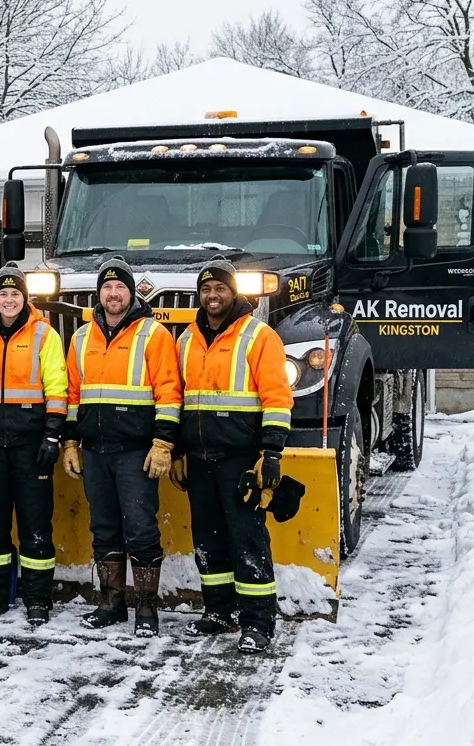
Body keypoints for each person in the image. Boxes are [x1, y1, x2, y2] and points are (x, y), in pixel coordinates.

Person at [176, 259, 293, 654]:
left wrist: (272, 452)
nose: (213, 296)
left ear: (234, 293)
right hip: (199, 456)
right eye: (206, 289)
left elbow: (277, 397)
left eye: (220, 289)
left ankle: (258, 622)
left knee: (247, 539)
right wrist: (176, 450)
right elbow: (177, 400)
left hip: (241, 458)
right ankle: (219, 611)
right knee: (207, 538)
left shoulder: (259, 336)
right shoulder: (186, 340)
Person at [62, 257, 182, 637]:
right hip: (95, 450)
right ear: (99, 294)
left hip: (136, 452)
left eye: (120, 288)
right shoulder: (81, 338)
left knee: (141, 528)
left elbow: (168, 393)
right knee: (104, 529)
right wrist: (70, 441)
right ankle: (111, 604)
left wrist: (163, 443)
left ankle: (146, 608)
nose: (113, 294)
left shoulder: (153, 334)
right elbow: (72, 395)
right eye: (107, 288)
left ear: (132, 293)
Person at [0, 265, 68, 626]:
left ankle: (37, 598)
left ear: (26, 298)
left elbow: (57, 387)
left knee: (36, 525)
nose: (9, 300)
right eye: (3, 294)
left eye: (15, 294)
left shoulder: (44, 335)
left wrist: (52, 435)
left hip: (31, 445)